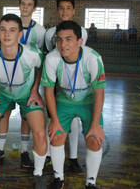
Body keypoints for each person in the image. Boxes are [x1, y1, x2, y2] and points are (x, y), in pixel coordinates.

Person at [0, 14, 47, 188]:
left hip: (26, 94)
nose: (7, 34)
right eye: (3, 30)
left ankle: (38, 173)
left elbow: (39, 68)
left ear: (20, 35)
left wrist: (35, 90)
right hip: (2, 93)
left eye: (12, 30)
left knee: (40, 134)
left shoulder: (32, 54)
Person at [41, 20, 106, 189]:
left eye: (69, 39)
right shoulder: (51, 58)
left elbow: (100, 93)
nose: (63, 44)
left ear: (80, 41)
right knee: (55, 136)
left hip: (88, 100)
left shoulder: (93, 58)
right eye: (59, 39)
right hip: (63, 99)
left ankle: (91, 182)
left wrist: (95, 125)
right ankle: (58, 178)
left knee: (94, 139)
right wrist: (54, 121)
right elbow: (48, 91)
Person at [0, 0, 46, 168]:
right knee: (4, 114)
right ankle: (0, 148)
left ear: (34, 8)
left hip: (27, 82)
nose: (25, 7)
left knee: (26, 117)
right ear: (19, 5)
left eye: (29, 4)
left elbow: (39, 59)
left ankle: (24, 151)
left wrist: (35, 87)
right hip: (6, 79)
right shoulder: (9, 26)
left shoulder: (40, 31)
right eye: (23, 3)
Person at [43, 0, 87, 174]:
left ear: (74, 10)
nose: (64, 11)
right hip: (54, 77)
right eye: (61, 8)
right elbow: (48, 50)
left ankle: (73, 157)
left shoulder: (82, 31)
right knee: (51, 114)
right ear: (57, 10)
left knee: (74, 119)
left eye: (68, 8)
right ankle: (47, 152)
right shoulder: (49, 33)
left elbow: (80, 54)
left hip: (73, 78)